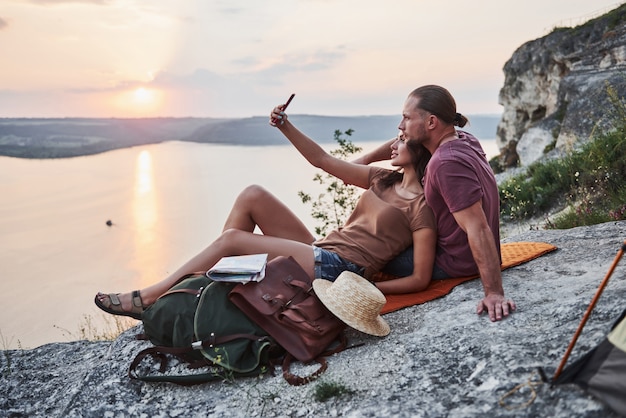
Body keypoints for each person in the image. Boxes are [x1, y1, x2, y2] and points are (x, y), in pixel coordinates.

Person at [95, 103, 437, 319]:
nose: (392, 143)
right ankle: (201, 290)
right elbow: (323, 160)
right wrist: (285, 125)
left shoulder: (421, 207)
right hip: (320, 250)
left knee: (231, 240)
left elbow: (420, 278)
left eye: (402, 139)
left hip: (340, 270)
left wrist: (361, 288)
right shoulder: (382, 178)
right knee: (253, 195)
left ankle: (154, 297)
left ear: (420, 150)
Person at [355, 85, 516, 322]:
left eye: (407, 118)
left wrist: (493, 292)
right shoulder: (464, 139)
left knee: (365, 249)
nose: (400, 126)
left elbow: (477, 227)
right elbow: (405, 138)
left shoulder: (445, 163)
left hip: (454, 263)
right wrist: (366, 159)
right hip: (461, 255)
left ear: (431, 122)